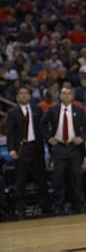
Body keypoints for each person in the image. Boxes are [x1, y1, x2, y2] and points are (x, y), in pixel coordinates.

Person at [40, 86, 86, 214]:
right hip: (59, 147)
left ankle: (79, 204)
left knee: (76, 176)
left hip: (74, 147)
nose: (66, 95)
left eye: (68, 93)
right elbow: (42, 124)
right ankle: (59, 205)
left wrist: (82, 137)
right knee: (58, 177)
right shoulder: (52, 110)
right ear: (60, 96)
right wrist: (49, 138)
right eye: (63, 93)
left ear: (72, 96)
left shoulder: (78, 110)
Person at [6, 86, 49, 218]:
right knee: (21, 179)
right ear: (18, 96)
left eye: (26, 93)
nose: (24, 95)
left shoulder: (37, 109)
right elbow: (10, 133)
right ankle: (20, 209)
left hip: (36, 147)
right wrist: (11, 149)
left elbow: (43, 128)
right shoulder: (12, 112)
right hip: (21, 148)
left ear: (30, 96)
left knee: (40, 178)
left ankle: (44, 207)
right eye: (21, 93)